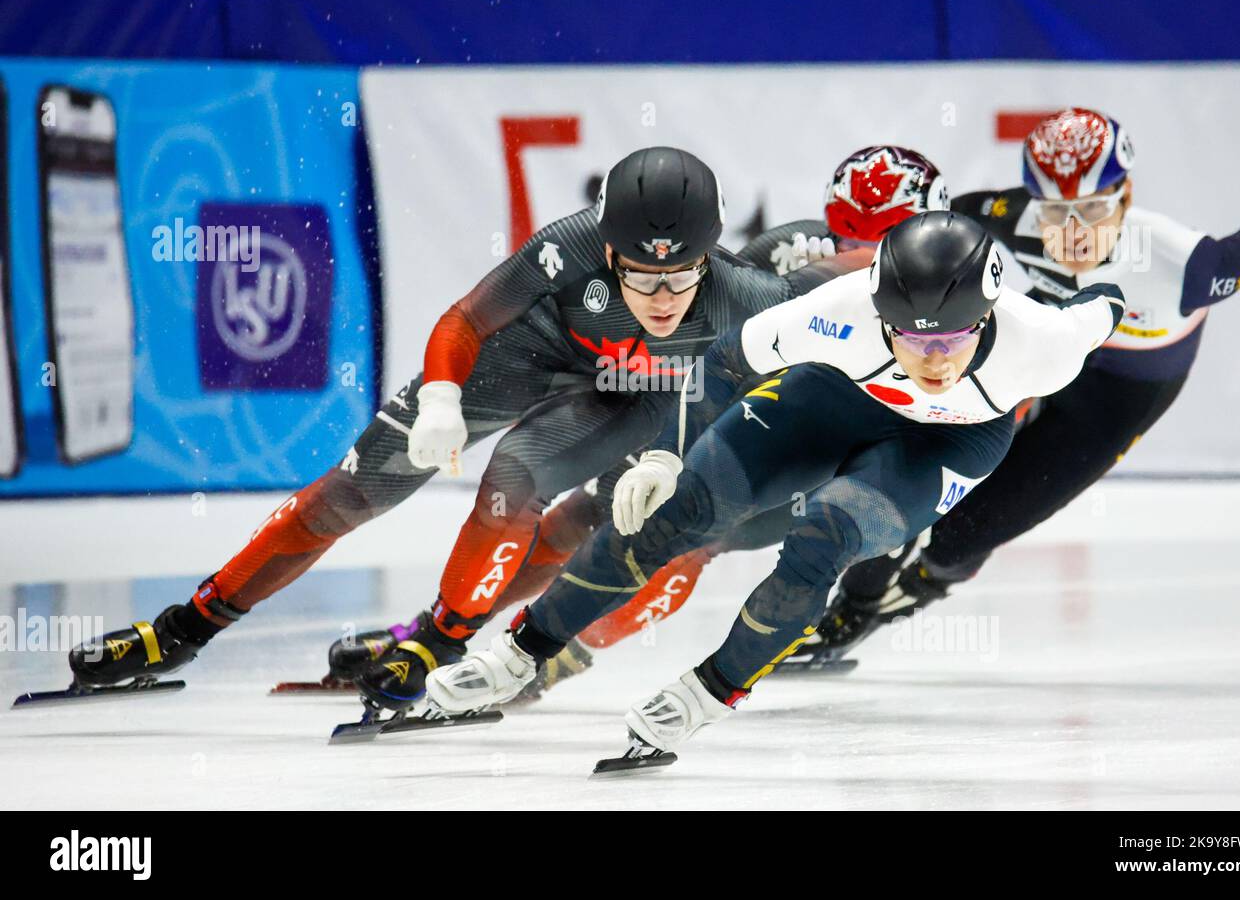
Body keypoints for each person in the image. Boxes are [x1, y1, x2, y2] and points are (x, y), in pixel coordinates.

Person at [66, 146, 857, 706]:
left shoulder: (747, 296)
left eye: (680, 273)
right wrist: (442, 395)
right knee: (345, 496)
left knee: (524, 484)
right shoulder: (569, 247)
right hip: (528, 355)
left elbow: (851, 343)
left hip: (633, 394)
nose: (661, 294)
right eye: (641, 273)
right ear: (608, 250)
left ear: (711, 256)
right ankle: (183, 628)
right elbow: (466, 319)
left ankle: (437, 644)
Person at [419, 210, 1126, 758]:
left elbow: (1104, 306)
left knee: (827, 535)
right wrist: (663, 456)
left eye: (949, 340)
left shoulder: (1043, 345)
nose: (929, 357)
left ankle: (709, 691)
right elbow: (724, 367)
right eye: (908, 336)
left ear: (989, 315)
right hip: (834, 398)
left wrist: (1112, 288)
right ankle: (520, 652)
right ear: (880, 309)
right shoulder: (840, 309)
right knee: (674, 513)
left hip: (951, 441)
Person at [326, 144, 949, 699]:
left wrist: (865, 591)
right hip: (735, 417)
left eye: (884, 239)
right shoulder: (794, 248)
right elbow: (716, 327)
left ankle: (561, 656)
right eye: (847, 232)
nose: (861, 254)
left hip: (819, 453)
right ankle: (444, 630)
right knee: (584, 516)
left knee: (685, 543)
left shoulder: (961, 310)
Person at [799, 107, 1240, 664]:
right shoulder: (1005, 215)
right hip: (1047, 348)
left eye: (1093, 211)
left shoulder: (1186, 264)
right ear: (1035, 203)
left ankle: (907, 593)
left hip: (1116, 396)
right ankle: (855, 602)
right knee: (917, 467)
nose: (1074, 230)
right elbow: (911, 227)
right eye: (1056, 212)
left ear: (1126, 198)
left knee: (969, 531)